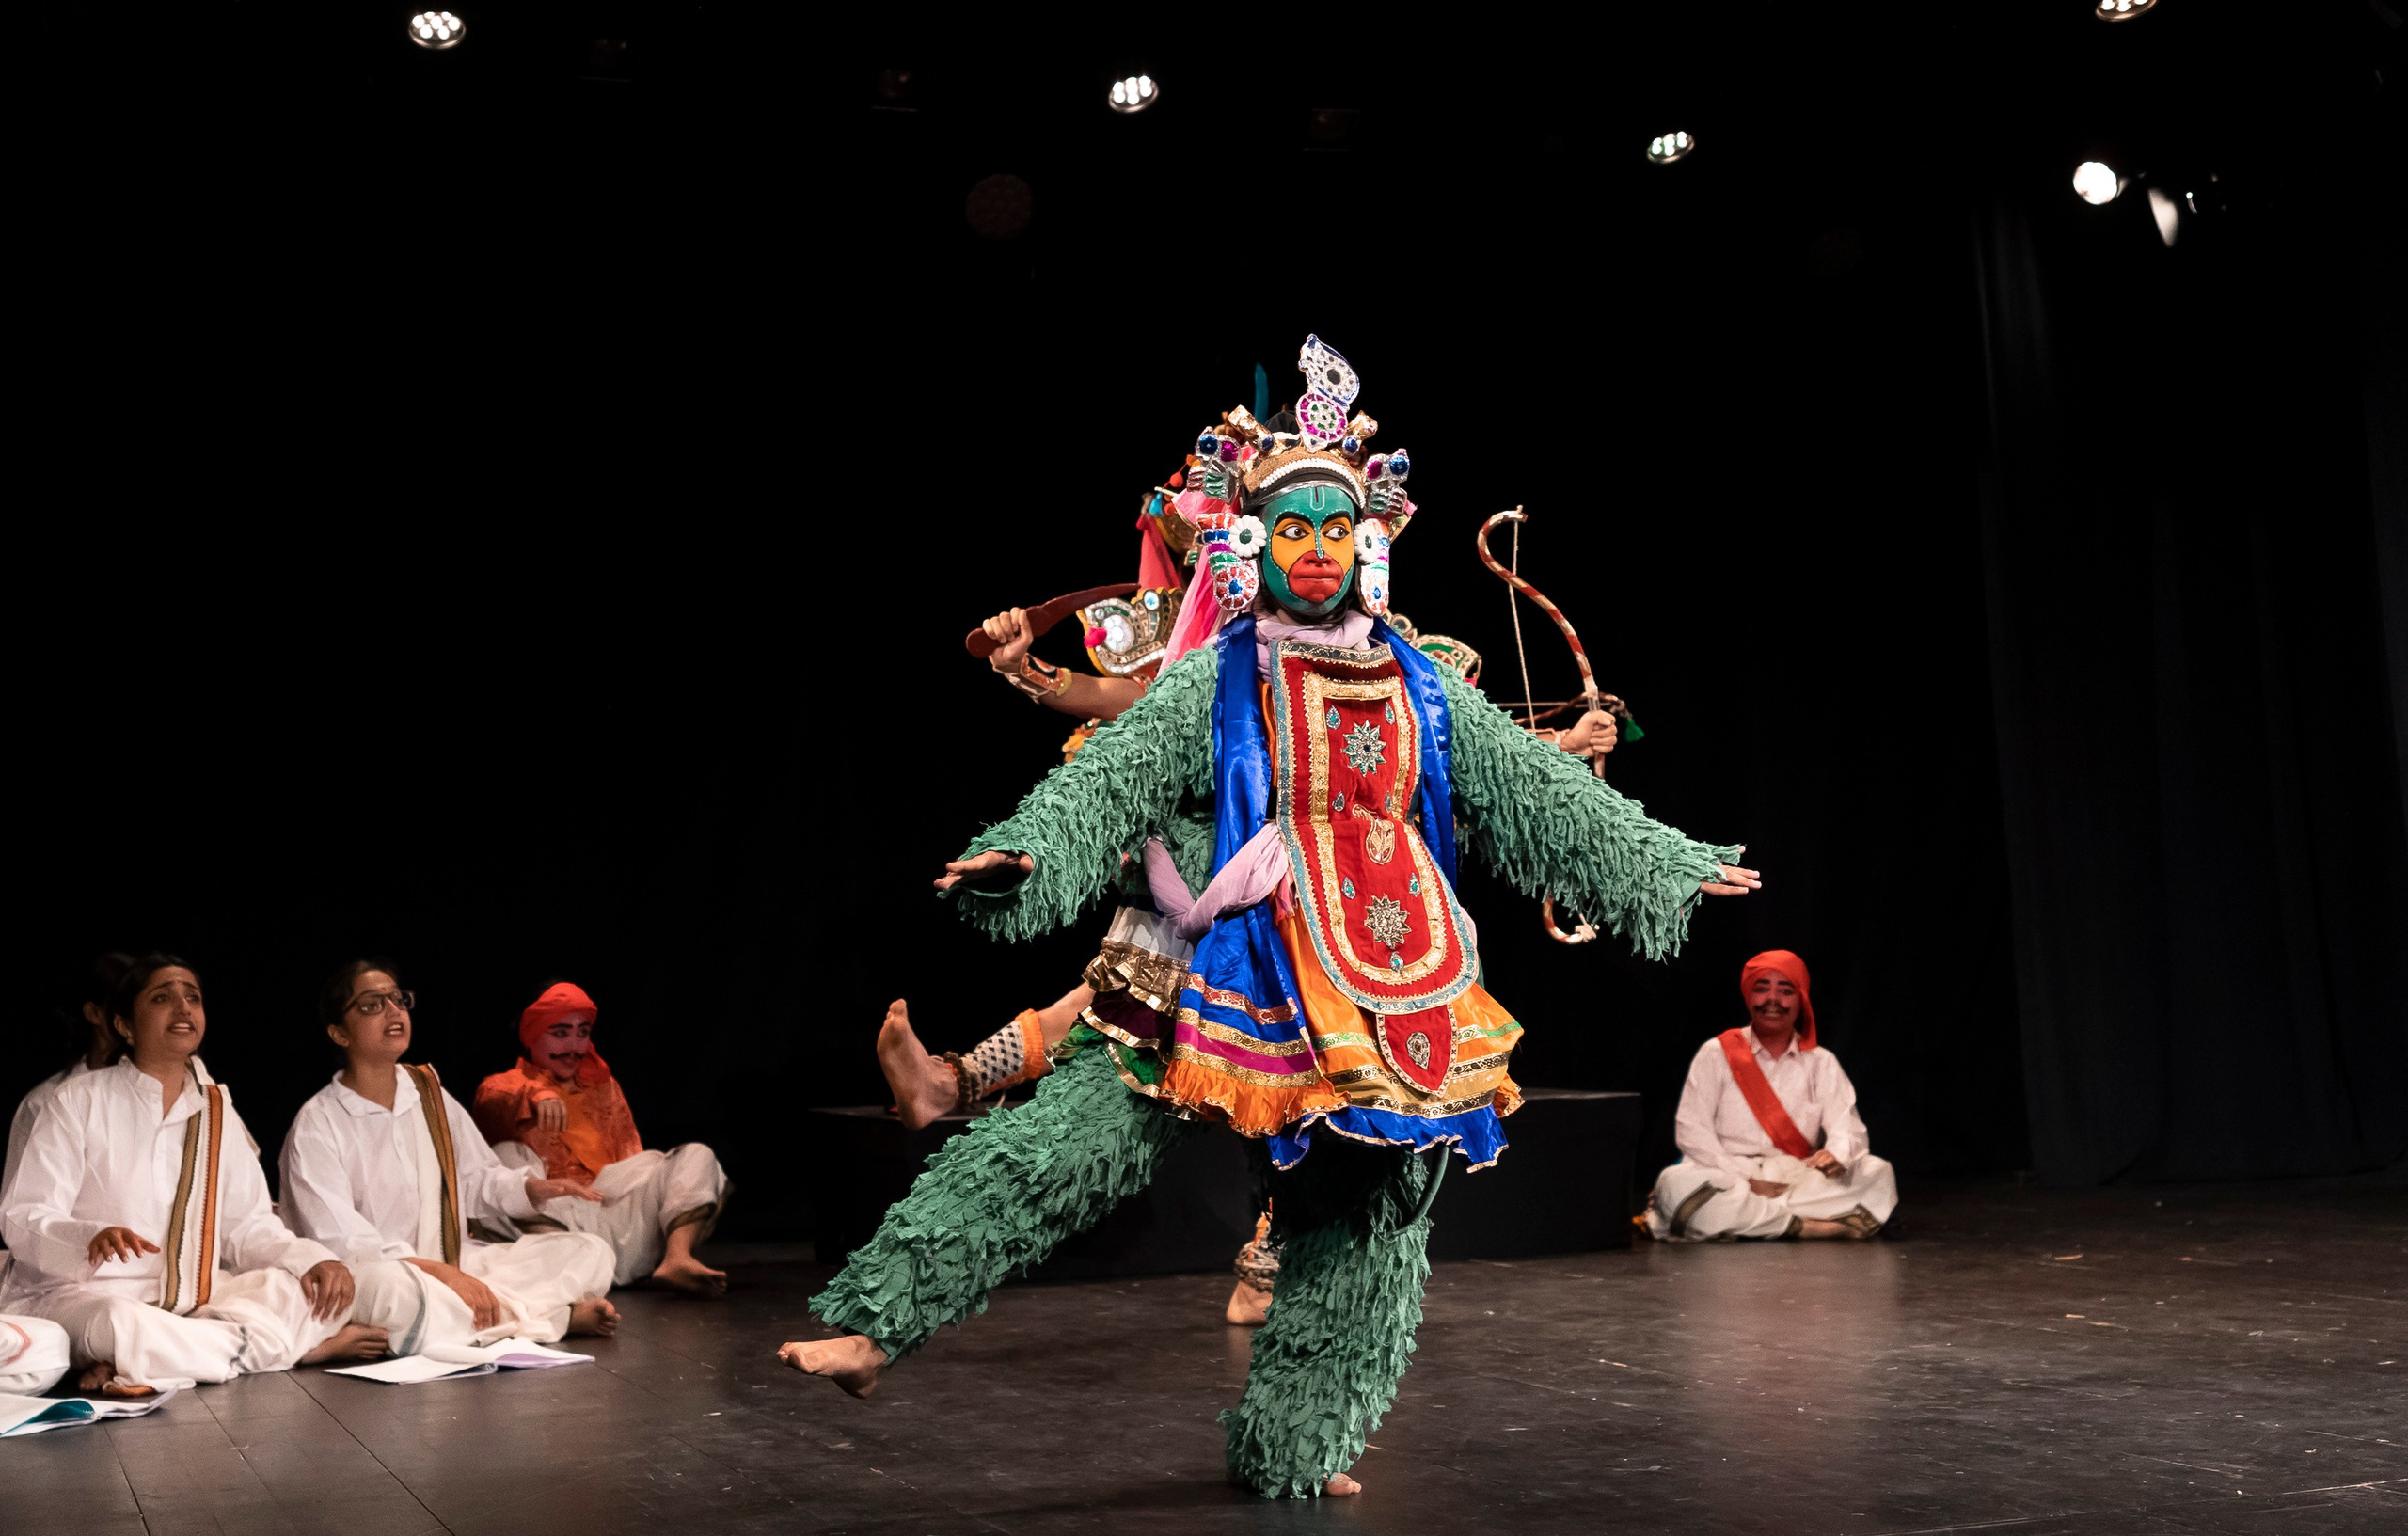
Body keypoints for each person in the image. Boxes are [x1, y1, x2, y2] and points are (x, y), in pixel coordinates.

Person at [784, 338, 1759, 1500]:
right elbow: (1113, 771)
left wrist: (1659, 861)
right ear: (1251, 543)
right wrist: (1030, 853)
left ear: (1367, 545)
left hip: (1379, 982)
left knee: (1372, 1227)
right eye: (1289, 529)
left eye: (1333, 530)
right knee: (1063, 1144)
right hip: (1215, 958)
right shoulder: (1214, 672)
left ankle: (1300, 1444)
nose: (1313, 550)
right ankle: (878, 1324)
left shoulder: (1421, 676)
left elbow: (1526, 785)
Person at [0, 956, 389, 1394]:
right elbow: (25, 1213)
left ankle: (147, 1362)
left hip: (188, 1298)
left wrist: (309, 1260)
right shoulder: (75, 1101)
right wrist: (87, 1236)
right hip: (80, 1293)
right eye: (163, 998)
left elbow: (247, 1224)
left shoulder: (215, 1110)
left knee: (305, 1291)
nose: (183, 1008)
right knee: (122, 1322)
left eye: (193, 998)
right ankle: (295, 1351)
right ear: (125, 1025)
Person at [280, 961, 621, 1347]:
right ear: (338, 1033)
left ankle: (492, 1318)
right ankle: (554, 1317)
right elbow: (347, 1245)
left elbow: (476, 1179)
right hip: (384, 1275)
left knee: (589, 1251)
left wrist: (532, 1190)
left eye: (398, 999)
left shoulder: (428, 1093)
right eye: (372, 1005)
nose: (394, 1011)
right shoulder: (318, 1122)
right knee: (398, 1294)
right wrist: (446, 1276)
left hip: (455, 1263)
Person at [473, 982, 730, 1296]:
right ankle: (570, 1265)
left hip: (612, 1215)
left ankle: (677, 1258)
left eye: (582, 1033)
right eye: (560, 1033)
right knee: (503, 1159)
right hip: (555, 1223)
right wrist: (537, 1093)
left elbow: (629, 1164)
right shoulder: (502, 1087)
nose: (574, 1046)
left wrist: (687, 1192)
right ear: (531, 1035)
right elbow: (491, 1102)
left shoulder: (604, 1086)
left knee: (696, 1155)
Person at [1643, 949, 1898, 1242]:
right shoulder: (1716, 1053)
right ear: (1748, 996)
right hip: (1727, 1172)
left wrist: (1837, 1156)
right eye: (1761, 989)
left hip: (1796, 1177)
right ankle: (1810, 1226)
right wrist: (1746, 1181)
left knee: (1877, 1172)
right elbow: (1692, 1131)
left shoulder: (1821, 1061)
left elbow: (1847, 1127)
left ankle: (1742, 1220)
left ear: (1801, 998)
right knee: (1675, 1183)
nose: (1772, 1000)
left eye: (1785, 990)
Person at [2, 952, 135, 1211]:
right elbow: (21, 1214)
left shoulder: (167, 1093)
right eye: (125, 1005)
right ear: (93, 1013)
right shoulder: (45, 1101)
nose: (135, 1018)